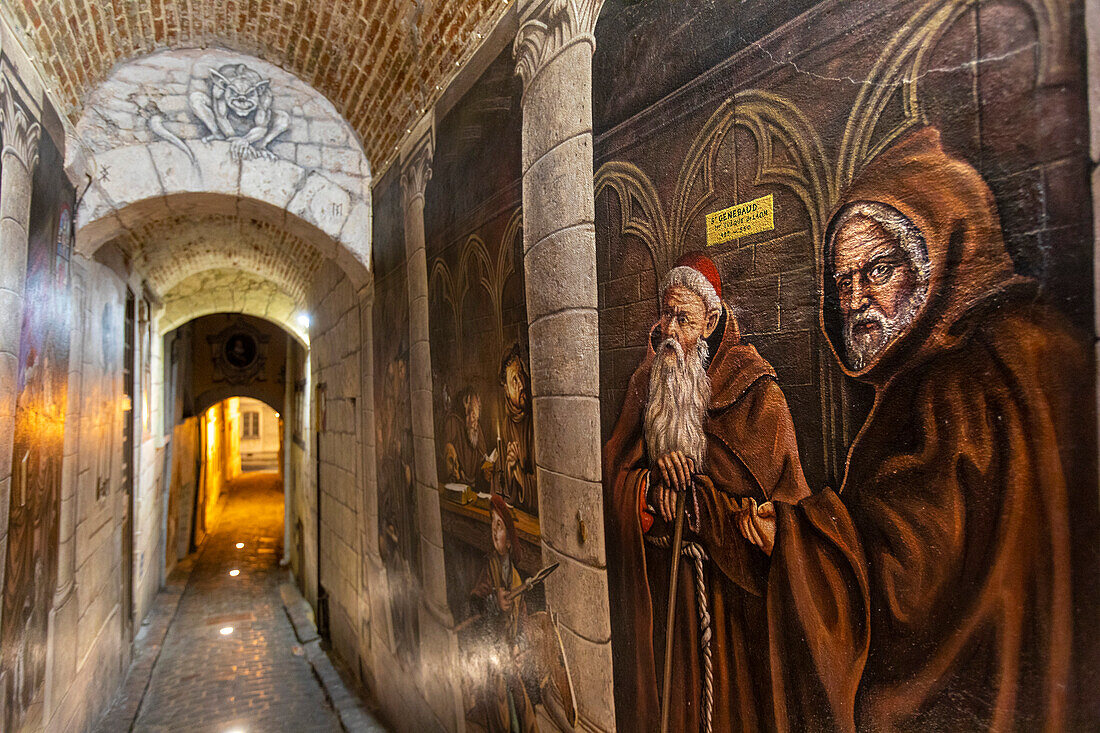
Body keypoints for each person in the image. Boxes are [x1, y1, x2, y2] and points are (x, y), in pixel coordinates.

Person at [738, 127, 1099, 730]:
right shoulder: (1044, 345)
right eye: (843, 281)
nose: (855, 300)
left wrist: (797, 540)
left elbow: (911, 582)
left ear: (938, 253)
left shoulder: (956, 383)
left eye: (876, 270)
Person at [604, 251, 811, 732]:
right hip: (665, 595)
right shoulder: (646, 383)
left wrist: (699, 504)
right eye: (666, 315)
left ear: (712, 321)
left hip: (727, 609)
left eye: (684, 319)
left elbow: (785, 518)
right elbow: (616, 474)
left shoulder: (756, 392)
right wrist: (651, 488)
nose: (670, 331)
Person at [468, 495, 538, 733]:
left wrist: (519, 646)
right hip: (494, 655)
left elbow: (523, 624)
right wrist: (492, 601)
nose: (493, 531)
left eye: (499, 526)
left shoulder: (517, 579)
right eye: (492, 525)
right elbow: (475, 605)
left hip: (510, 655)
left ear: (509, 541)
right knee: (500, 705)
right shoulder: (490, 570)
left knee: (522, 706)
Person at [499, 344, 537, 514]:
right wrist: (509, 467)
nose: (521, 384)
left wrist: (518, 474)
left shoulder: (535, 420)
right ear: (506, 389)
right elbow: (503, 489)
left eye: (521, 375)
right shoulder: (506, 425)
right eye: (514, 379)